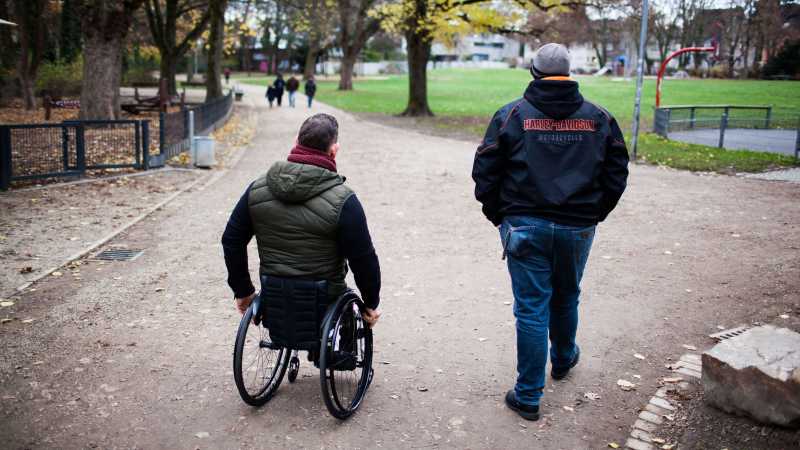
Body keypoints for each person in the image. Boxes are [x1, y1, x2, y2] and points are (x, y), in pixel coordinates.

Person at [471, 43, 629, 421]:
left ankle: (529, 394)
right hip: (576, 226)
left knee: (531, 309)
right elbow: (617, 173)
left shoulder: (512, 115)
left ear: (534, 73)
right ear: (568, 73)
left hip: (525, 224)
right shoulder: (598, 117)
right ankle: (562, 359)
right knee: (566, 295)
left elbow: (484, 172)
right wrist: (593, 212)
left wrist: (500, 215)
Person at [221, 113, 382, 335]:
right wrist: (370, 302)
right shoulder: (344, 201)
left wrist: (243, 291)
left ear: (296, 143)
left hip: (274, 294)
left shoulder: (256, 189)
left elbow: (232, 240)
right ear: (334, 151)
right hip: (324, 299)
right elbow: (363, 258)